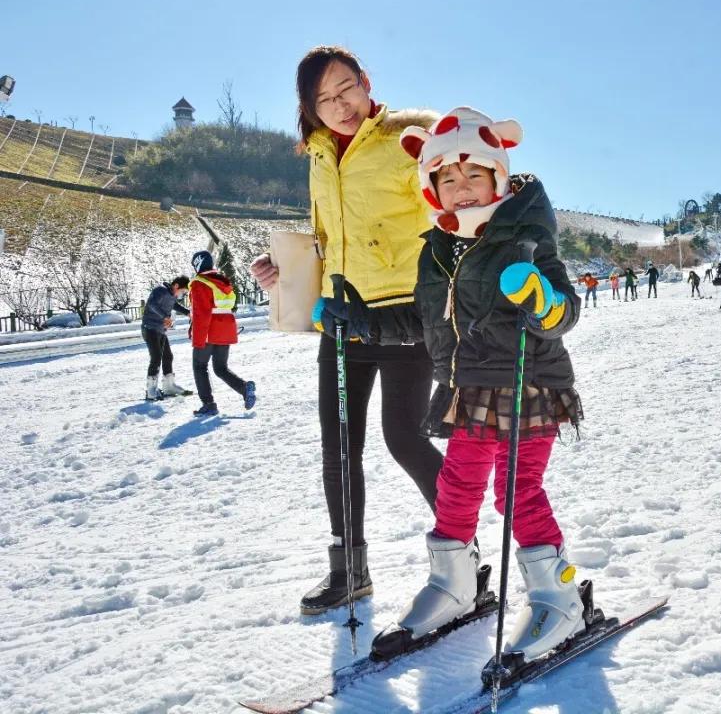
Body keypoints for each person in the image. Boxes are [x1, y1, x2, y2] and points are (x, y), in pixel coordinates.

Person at [248, 46, 442, 615]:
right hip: (342, 317)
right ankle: (349, 571)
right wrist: (285, 276)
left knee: (404, 437)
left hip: (405, 312)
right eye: (324, 99)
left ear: (366, 83)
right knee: (339, 448)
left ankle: (461, 551)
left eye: (346, 89)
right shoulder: (317, 157)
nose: (340, 105)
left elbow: (450, 212)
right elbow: (332, 243)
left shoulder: (408, 138)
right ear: (310, 108)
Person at [390, 106, 587, 667]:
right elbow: (425, 318)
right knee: (456, 487)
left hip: (529, 384)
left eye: (474, 175)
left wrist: (543, 304)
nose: (462, 188)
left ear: (498, 176)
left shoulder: (525, 236)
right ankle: (455, 586)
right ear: (433, 188)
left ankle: (559, 596)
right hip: (468, 390)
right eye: (447, 179)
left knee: (515, 492)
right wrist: (359, 322)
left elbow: (564, 309)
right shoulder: (438, 248)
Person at [189, 250, 256, 416]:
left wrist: (198, 338)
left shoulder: (200, 283)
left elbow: (201, 314)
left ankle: (208, 404)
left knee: (199, 366)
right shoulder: (223, 281)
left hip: (209, 330)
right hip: (225, 329)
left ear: (197, 264)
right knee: (220, 368)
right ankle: (244, 388)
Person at [141, 276, 191, 400]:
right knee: (156, 357)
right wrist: (165, 317)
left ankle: (168, 386)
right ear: (176, 286)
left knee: (168, 356)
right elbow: (152, 304)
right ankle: (151, 390)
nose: (183, 294)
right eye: (183, 291)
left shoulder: (171, 295)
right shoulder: (160, 290)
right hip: (149, 328)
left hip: (160, 330)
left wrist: (188, 312)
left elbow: (175, 305)